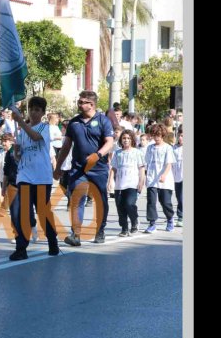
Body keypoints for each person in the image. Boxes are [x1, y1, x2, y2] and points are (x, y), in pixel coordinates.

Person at [54, 90, 114, 246]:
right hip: (78, 169)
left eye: (82, 102)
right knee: (77, 199)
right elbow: (66, 146)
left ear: (91, 104)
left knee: (100, 200)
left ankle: (100, 230)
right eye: (79, 102)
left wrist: (98, 155)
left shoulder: (103, 121)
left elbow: (109, 142)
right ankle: (76, 235)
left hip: (98, 168)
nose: (79, 104)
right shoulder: (74, 122)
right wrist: (58, 167)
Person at [8, 98, 59, 260]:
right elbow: (19, 156)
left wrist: (21, 122)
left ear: (43, 113)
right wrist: (16, 152)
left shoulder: (45, 127)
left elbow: (36, 137)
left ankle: (52, 240)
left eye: (37, 110)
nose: (34, 112)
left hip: (41, 177)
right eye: (31, 109)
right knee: (20, 211)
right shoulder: (22, 131)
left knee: (43, 212)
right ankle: (21, 247)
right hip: (25, 176)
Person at [108, 130, 145, 236]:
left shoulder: (137, 152)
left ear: (132, 140)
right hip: (119, 185)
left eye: (128, 138)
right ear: (121, 140)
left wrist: (141, 182)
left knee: (129, 204)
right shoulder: (118, 153)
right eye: (124, 138)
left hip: (132, 184)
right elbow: (113, 168)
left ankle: (134, 221)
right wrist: (110, 181)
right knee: (120, 207)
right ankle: (124, 228)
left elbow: (141, 169)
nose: (126, 140)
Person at [143, 124, 176, 233]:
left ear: (162, 135)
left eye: (158, 135)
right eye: (154, 135)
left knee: (165, 202)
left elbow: (169, 163)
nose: (156, 137)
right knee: (151, 202)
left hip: (164, 180)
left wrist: (164, 175)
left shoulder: (167, 148)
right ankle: (152, 223)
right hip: (152, 178)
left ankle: (170, 219)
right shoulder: (150, 148)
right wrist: (145, 177)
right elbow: (147, 163)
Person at [173, 128, 183, 227]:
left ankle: (181, 216)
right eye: (179, 136)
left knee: (182, 197)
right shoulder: (174, 148)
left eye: (182, 136)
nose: (180, 138)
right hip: (177, 175)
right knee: (179, 196)